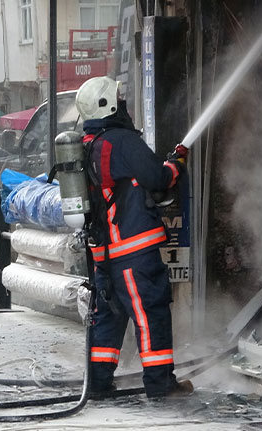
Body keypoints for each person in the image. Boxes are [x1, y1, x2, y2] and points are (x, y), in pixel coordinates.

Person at [75, 76, 193, 400]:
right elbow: (158, 178)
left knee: (108, 318)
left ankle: (97, 384)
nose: (123, 102)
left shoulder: (87, 145)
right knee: (150, 314)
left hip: (104, 254)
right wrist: (176, 162)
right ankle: (160, 385)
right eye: (119, 98)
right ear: (108, 105)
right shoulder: (120, 141)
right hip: (133, 251)